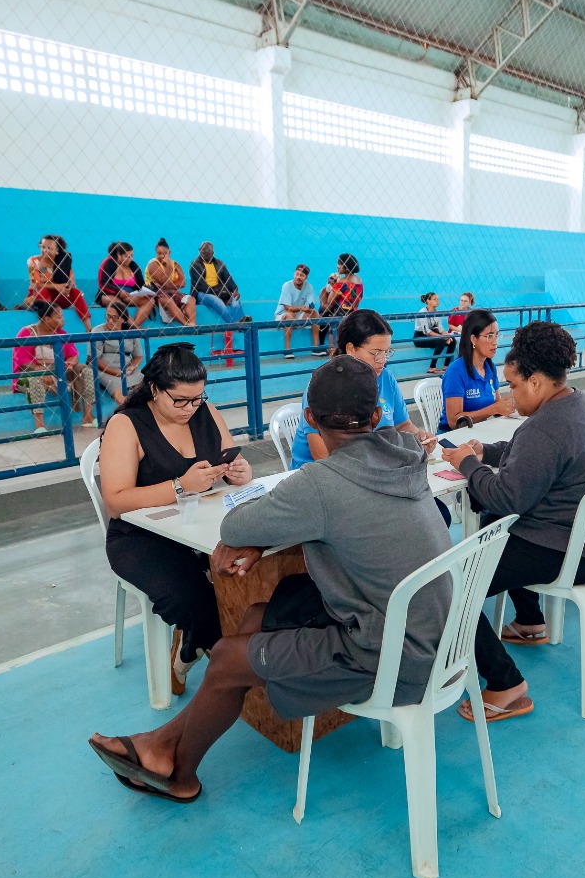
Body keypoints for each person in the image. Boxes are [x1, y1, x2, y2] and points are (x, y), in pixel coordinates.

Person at [88, 355, 451, 804]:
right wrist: (267, 536)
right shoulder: (408, 452)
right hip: (432, 631)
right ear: (378, 415)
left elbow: (236, 526)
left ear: (309, 418)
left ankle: (179, 774)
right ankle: (161, 745)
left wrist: (258, 535)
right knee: (257, 616)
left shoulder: (321, 483)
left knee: (226, 657)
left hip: (388, 654)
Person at [440, 321, 585, 723]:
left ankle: (505, 683)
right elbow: (532, 456)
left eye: (515, 385)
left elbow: (506, 496)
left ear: (536, 381)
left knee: (446, 586)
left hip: (561, 550)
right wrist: (486, 452)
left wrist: (467, 464)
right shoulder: (579, 403)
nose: (512, 395)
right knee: (494, 527)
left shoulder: (545, 428)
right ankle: (530, 622)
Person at [98, 343, 253, 696]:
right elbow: (115, 502)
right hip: (141, 539)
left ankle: (191, 646)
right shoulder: (127, 425)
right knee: (195, 601)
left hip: (200, 529)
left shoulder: (204, 411)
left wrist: (240, 473)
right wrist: (180, 486)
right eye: (180, 401)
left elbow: (231, 458)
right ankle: (229, 671)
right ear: (155, 389)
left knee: (252, 575)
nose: (190, 409)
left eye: (197, 399)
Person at [290, 308, 436, 470]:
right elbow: (321, 454)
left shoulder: (385, 377)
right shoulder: (325, 384)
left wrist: (419, 437)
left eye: (387, 352)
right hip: (323, 473)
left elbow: (402, 425)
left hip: (371, 467)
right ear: (351, 349)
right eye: (376, 353)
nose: (383, 360)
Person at [12, 300, 93, 432]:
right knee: (35, 379)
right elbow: (23, 362)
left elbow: (74, 355)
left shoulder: (61, 334)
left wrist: (70, 363)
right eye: (59, 317)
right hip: (30, 375)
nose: (63, 320)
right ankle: (39, 426)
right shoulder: (27, 333)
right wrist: (42, 371)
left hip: (57, 372)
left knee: (85, 371)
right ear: (47, 319)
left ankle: (88, 417)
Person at [439, 308, 515, 431]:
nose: (495, 342)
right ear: (473, 339)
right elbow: (454, 422)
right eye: (490, 336)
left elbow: (497, 408)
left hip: (479, 431)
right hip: (453, 435)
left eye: (496, 335)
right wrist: (494, 409)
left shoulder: (490, 367)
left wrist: (511, 402)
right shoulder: (456, 372)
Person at [23, 234, 92, 331]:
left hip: (60, 296)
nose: (45, 251)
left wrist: (67, 287)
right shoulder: (32, 261)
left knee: (76, 292)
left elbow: (72, 282)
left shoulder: (63, 262)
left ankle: (89, 328)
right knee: (43, 291)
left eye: (49, 248)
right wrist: (57, 286)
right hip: (39, 295)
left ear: (57, 250)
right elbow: (36, 283)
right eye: (43, 247)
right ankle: (46, 328)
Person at [188, 241, 245, 356]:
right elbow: (201, 285)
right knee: (217, 301)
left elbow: (228, 279)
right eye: (201, 250)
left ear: (212, 252)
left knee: (235, 299)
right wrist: (221, 295)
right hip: (202, 294)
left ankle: (240, 323)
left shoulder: (219, 264)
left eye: (205, 250)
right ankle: (237, 324)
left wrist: (234, 290)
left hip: (220, 292)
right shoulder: (195, 264)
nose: (202, 252)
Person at [89, 300, 143, 406]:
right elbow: (94, 359)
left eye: (114, 318)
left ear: (123, 319)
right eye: (108, 316)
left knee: (145, 387)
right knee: (119, 391)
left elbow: (138, 356)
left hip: (126, 369)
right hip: (104, 370)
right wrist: (116, 372)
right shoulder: (98, 331)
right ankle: (126, 412)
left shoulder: (131, 332)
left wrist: (131, 367)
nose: (110, 321)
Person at [95, 241, 156, 327]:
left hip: (129, 296)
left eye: (131, 256)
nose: (129, 259)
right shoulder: (108, 263)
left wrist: (147, 291)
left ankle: (134, 326)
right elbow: (102, 284)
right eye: (126, 256)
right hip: (109, 295)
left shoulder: (133, 266)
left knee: (149, 301)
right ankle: (135, 327)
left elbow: (140, 285)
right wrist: (119, 292)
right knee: (116, 301)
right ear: (119, 255)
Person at [145, 238, 196, 326]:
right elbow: (163, 281)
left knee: (191, 299)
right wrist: (168, 266)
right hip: (155, 294)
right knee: (168, 300)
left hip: (172, 293)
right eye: (159, 253)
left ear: (170, 252)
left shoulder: (176, 264)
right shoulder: (153, 264)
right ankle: (185, 324)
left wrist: (167, 286)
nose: (162, 256)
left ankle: (192, 323)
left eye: (165, 253)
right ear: (155, 253)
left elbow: (183, 283)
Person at [274, 263, 317, 358]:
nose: (298, 277)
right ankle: (287, 350)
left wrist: (309, 309)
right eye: (297, 274)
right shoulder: (287, 285)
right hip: (282, 315)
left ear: (306, 277)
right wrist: (301, 308)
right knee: (290, 314)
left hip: (299, 315)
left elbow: (311, 305)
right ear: (294, 273)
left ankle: (315, 348)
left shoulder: (309, 287)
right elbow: (287, 308)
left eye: (302, 275)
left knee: (315, 314)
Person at [323, 253, 363, 355]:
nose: (337, 266)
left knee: (334, 339)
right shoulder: (359, 281)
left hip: (339, 314)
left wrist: (333, 284)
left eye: (339, 264)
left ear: (346, 265)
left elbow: (330, 301)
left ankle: (333, 355)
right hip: (353, 314)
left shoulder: (341, 281)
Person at [411, 292, 454, 374]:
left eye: (438, 299)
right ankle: (432, 367)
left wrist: (447, 335)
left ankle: (446, 366)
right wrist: (442, 337)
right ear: (428, 301)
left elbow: (440, 328)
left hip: (431, 336)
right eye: (435, 299)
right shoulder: (422, 313)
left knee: (452, 340)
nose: (437, 301)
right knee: (441, 341)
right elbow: (426, 331)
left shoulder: (436, 313)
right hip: (420, 337)